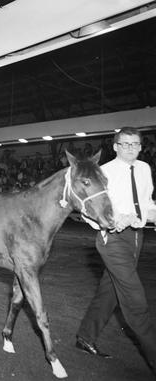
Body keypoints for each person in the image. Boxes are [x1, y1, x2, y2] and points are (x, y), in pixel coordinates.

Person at [76, 127, 156, 375]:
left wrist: (148, 214)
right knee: (135, 300)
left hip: (136, 238)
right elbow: (87, 211)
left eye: (135, 144)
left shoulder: (144, 169)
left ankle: (85, 337)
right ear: (116, 147)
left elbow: (145, 202)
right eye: (125, 144)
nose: (131, 148)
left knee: (109, 292)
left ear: (141, 147)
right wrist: (111, 220)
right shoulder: (104, 172)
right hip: (112, 240)